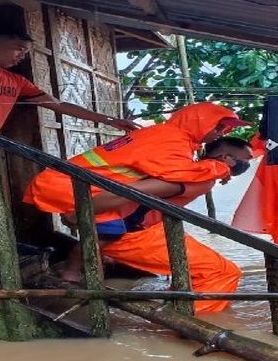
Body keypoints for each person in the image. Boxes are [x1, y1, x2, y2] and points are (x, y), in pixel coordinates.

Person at [0, 27, 139, 229]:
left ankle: (2, 245)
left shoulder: (16, 81)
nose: (21, 56)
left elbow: (58, 105)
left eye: (25, 52)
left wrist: (109, 119)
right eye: (18, 48)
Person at [24, 103, 249, 279]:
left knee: (105, 233)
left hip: (74, 182)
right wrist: (218, 167)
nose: (221, 132)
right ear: (198, 122)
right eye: (218, 126)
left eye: (224, 129)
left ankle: (87, 265)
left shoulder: (169, 137)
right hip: (70, 185)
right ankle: (72, 271)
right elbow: (180, 173)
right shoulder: (170, 140)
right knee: (109, 233)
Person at [58, 137, 254, 313]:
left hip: (141, 228)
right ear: (225, 158)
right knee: (223, 272)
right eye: (245, 161)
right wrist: (79, 213)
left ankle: (177, 303)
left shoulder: (189, 169)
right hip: (132, 232)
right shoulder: (199, 176)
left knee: (210, 268)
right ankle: (192, 319)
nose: (247, 165)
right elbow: (130, 191)